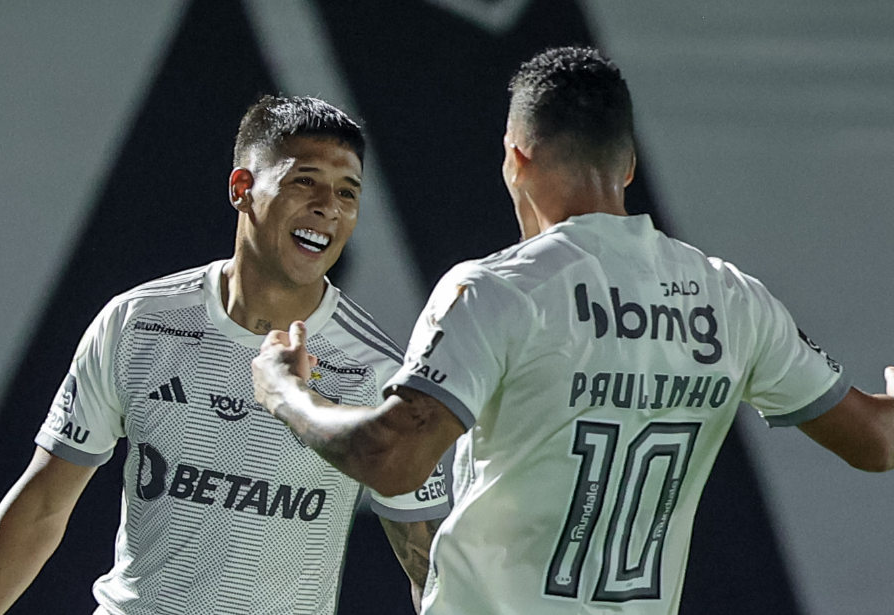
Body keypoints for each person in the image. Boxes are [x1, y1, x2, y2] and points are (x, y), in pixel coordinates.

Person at [250, 47, 894, 615]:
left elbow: (394, 459)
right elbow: (878, 439)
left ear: (515, 158)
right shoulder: (730, 299)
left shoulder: (499, 290)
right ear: (630, 165)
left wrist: (287, 396)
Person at [0, 95, 450, 615]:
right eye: (305, 181)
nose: (329, 206)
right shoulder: (137, 322)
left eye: (348, 192)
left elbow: (428, 567)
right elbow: (43, 506)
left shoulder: (379, 371)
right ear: (242, 189)